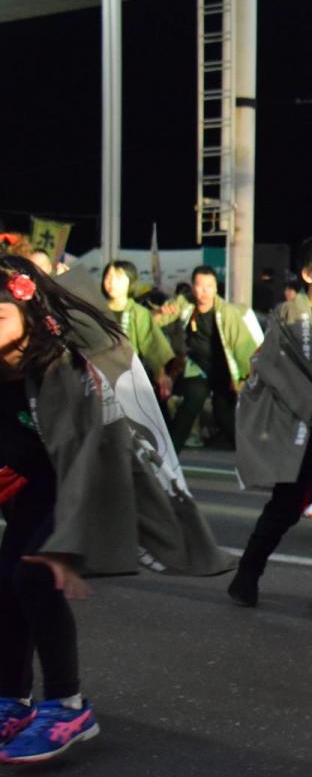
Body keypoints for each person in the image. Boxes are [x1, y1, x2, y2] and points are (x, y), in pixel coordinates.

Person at [0, 255, 232, 764]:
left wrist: (68, 543)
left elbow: (90, 453)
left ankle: (68, 706)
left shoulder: (60, 365)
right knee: (5, 582)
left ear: (28, 314)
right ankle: (11, 700)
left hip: (93, 471)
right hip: (41, 480)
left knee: (35, 576)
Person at [229, 236, 312, 611]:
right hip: (300, 428)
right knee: (285, 507)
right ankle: (246, 575)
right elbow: (273, 366)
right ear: (308, 273)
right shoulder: (289, 313)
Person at [158, 266, 261, 451]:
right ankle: (169, 456)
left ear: (215, 289)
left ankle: (250, 454)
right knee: (189, 406)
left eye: (209, 286)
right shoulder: (184, 304)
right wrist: (161, 312)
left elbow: (243, 347)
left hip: (225, 371)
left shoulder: (227, 313)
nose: (204, 291)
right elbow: (157, 321)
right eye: (199, 285)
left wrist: (244, 378)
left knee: (224, 416)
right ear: (192, 286)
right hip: (198, 367)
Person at [101, 260, 175, 399]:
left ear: (131, 281)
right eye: (108, 277)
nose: (112, 282)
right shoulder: (97, 309)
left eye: (118, 278)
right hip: (100, 374)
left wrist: (161, 375)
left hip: (129, 375)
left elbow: (152, 345)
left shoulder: (139, 312)